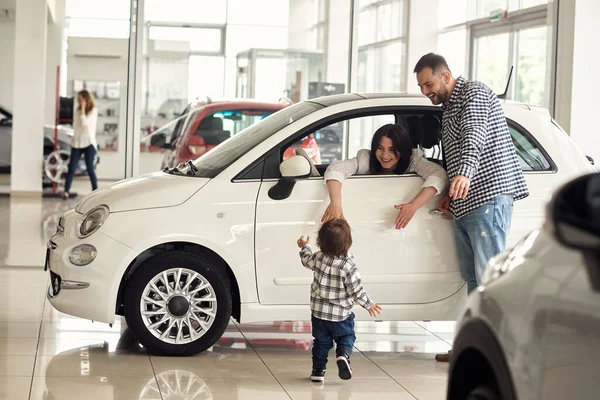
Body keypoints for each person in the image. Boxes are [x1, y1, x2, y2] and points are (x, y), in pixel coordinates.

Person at [414, 53, 529, 362]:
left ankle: (501, 352)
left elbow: (474, 134)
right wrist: (453, 186)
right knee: (476, 280)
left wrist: (464, 171)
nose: (426, 92)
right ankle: (473, 347)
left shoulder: (474, 92)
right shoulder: (450, 106)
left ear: (446, 75)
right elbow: (456, 147)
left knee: (491, 278)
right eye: (421, 87)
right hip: (466, 202)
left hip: (488, 196)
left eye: (428, 84)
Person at [297, 218, 382, 382]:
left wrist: (303, 247)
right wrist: (369, 304)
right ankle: (343, 354)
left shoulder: (319, 257)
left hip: (319, 314)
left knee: (321, 343)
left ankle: (318, 371)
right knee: (347, 336)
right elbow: (356, 291)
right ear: (348, 243)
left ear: (321, 242)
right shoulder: (349, 266)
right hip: (341, 316)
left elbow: (306, 260)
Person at [322, 123, 449, 229]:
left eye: (392, 150)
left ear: (403, 150)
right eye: (380, 148)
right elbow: (337, 168)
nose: (385, 155)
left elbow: (438, 174)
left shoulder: (413, 161)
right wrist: (336, 203)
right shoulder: (366, 160)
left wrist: (413, 206)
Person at [64, 90, 98, 199]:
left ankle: (96, 192)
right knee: (72, 168)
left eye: (80, 99)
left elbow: (85, 124)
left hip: (89, 143)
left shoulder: (93, 111)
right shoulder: (77, 110)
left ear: (85, 99)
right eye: (78, 99)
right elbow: (78, 128)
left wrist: (83, 109)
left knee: (90, 169)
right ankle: (66, 191)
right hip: (77, 143)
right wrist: (73, 141)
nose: (78, 101)